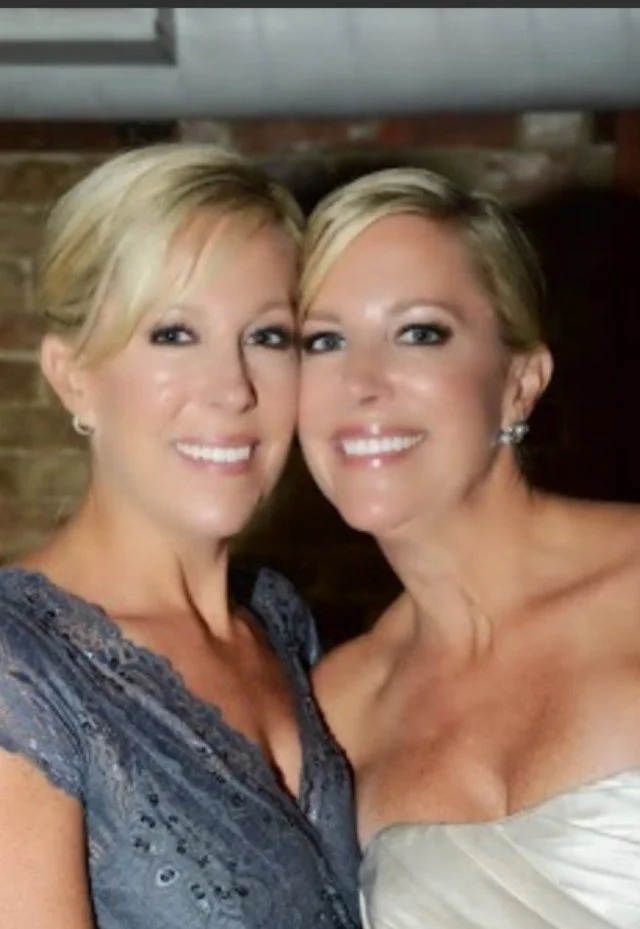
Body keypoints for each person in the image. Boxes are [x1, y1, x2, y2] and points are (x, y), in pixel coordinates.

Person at [0, 143, 360, 929]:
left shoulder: (281, 620)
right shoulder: (17, 668)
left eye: (268, 336)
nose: (232, 388)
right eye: (172, 334)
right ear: (72, 375)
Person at [297, 166, 640, 928]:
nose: (362, 381)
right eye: (322, 340)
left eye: (420, 332)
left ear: (520, 380)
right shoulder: (339, 708)